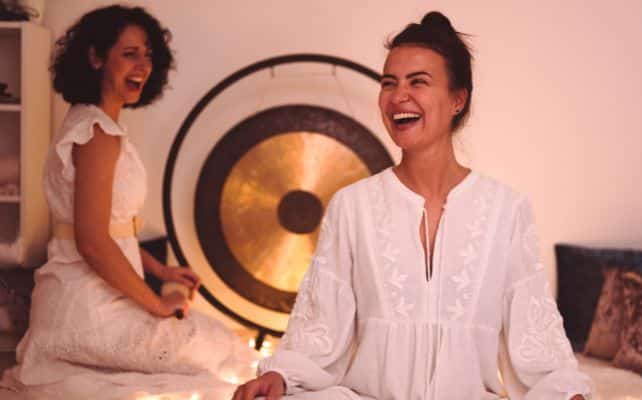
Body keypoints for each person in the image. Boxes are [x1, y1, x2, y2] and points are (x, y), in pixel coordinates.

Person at [234, 11, 593, 400]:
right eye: (389, 83)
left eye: (418, 82)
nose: (398, 96)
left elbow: (538, 344)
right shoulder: (352, 207)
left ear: (458, 99)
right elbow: (318, 330)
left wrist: (566, 392)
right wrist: (282, 376)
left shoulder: (506, 210)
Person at [1, 5, 257, 398]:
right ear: (95, 57)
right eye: (129, 53)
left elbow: (109, 228)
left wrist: (162, 272)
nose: (142, 65)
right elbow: (91, 242)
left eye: (148, 54)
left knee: (222, 350)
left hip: (93, 296)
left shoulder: (93, 123)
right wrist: (155, 304)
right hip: (88, 308)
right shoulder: (97, 133)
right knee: (224, 358)